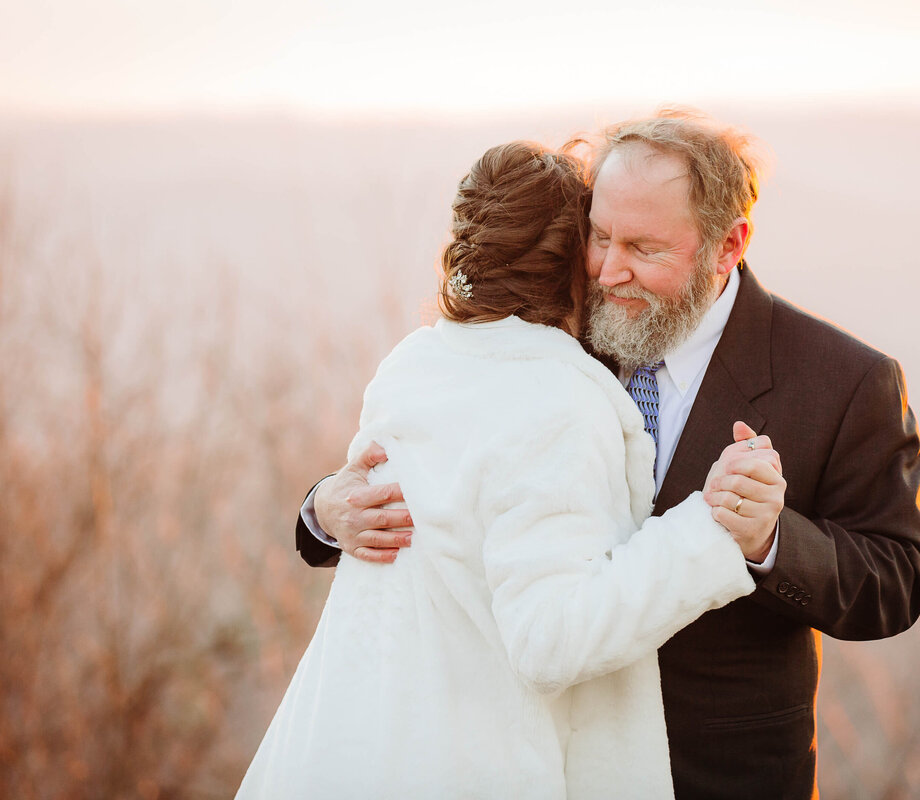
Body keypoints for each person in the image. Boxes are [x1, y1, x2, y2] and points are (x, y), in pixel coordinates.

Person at [299, 112, 920, 799]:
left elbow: (897, 579)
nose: (608, 269)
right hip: (550, 766)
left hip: (722, 776)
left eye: (644, 247)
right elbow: (448, 467)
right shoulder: (556, 335)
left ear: (729, 245)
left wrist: (770, 539)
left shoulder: (843, 380)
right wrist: (324, 510)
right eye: (599, 236)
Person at [238, 140, 782, 799]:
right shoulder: (557, 399)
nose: (611, 265)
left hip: (355, 747)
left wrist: (326, 502)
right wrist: (708, 530)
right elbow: (549, 640)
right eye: (600, 238)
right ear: (570, 257)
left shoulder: (413, 366)